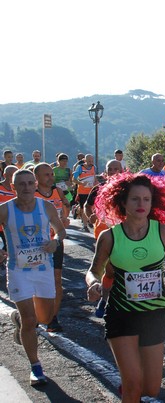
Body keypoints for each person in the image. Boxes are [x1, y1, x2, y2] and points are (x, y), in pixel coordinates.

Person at [84, 172, 165, 403]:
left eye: (146, 199)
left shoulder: (162, 232)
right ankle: (129, 388)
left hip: (153, 313)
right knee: (133, 384)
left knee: (151, 388)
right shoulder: (110, 237)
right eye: (135, 199)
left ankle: (130, 387)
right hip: (121, 313)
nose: (141, 204)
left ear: (153, 202)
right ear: (123, 202)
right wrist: (95, 284)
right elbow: (94, 269)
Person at [1, 169, 66, 386]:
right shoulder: (5, 210)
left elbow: (60, 229)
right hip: (18, 272)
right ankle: (35, 366)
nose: (26, 188)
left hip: (43, 270)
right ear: (13, 187)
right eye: (21, 184)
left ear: (35, 184)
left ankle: (20, 320)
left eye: (30, 183)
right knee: (31, 320)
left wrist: (55, 241)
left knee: (45, 318)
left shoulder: (45, 206)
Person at [34, 163, 71, 333]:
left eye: (51, 174)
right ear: (37, 178)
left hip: (56, 241)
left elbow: (67, 202)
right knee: (36, 281)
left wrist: (65, 216)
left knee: (57, 279)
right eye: (46, 175)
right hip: (35, 245)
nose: (51, 177)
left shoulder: (57, 191)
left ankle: (52, 318)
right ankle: (34, 315)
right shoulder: (32, 194)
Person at [85, 159, 124, 239]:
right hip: (102, 233)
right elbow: (87, 206)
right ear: (106, 172)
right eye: (109, 169)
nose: (113, 172)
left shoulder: (128, 188)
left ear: (122, 171)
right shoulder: (98, 188)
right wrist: (91, 218)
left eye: (116, 169)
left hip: (123, 232)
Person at [73, 154, 97, 232]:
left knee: (92, 207)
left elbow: (95, 177)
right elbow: (74, 179)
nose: (91, 162)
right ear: (85, 160)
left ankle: (90, 221)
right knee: (84, 208)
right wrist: (81, 183)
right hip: (82, 192)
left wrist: (96, 185)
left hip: (92, 191)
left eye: (92, 161)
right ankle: (85, 225)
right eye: (89, 161)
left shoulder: (94, 167)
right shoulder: (80, 167)